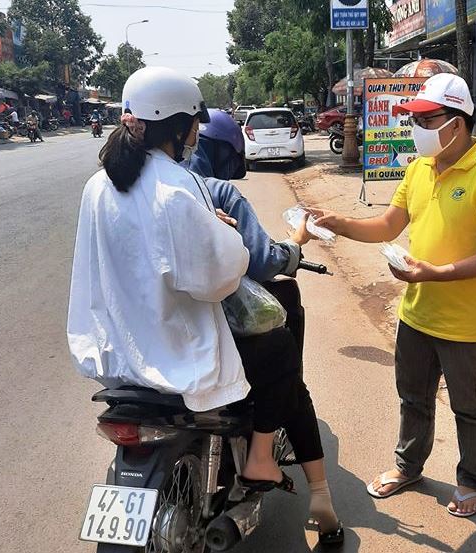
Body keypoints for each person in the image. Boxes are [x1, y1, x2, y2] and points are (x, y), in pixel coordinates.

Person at [67, 66, 342, 544]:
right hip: (177, 350)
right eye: (193, 121)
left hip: (117, 355)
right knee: (278, 349)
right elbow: (220, 276)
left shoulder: (99, 186)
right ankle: (260, 458)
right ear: (181, 126)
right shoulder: (180, 186)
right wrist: (225, 233)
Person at [308, 73, 476, 517]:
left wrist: (436, 273)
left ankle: (471, 481)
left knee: (470, 407)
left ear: (457, 123)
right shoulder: (419, 168)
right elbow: (388, 225)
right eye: (414, 119)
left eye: (426, 119)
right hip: (416, 313)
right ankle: (409, 466)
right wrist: (341, 223)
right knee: (413, 398)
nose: (416, 128)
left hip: (463, 322)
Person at [180, 107, 344, 545]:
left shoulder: (121, 192)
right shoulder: (212, 192)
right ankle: (316, 492)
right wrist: (297, 243)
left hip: (150, 341)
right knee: (288, 364)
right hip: (207, 335)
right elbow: (261, 259)